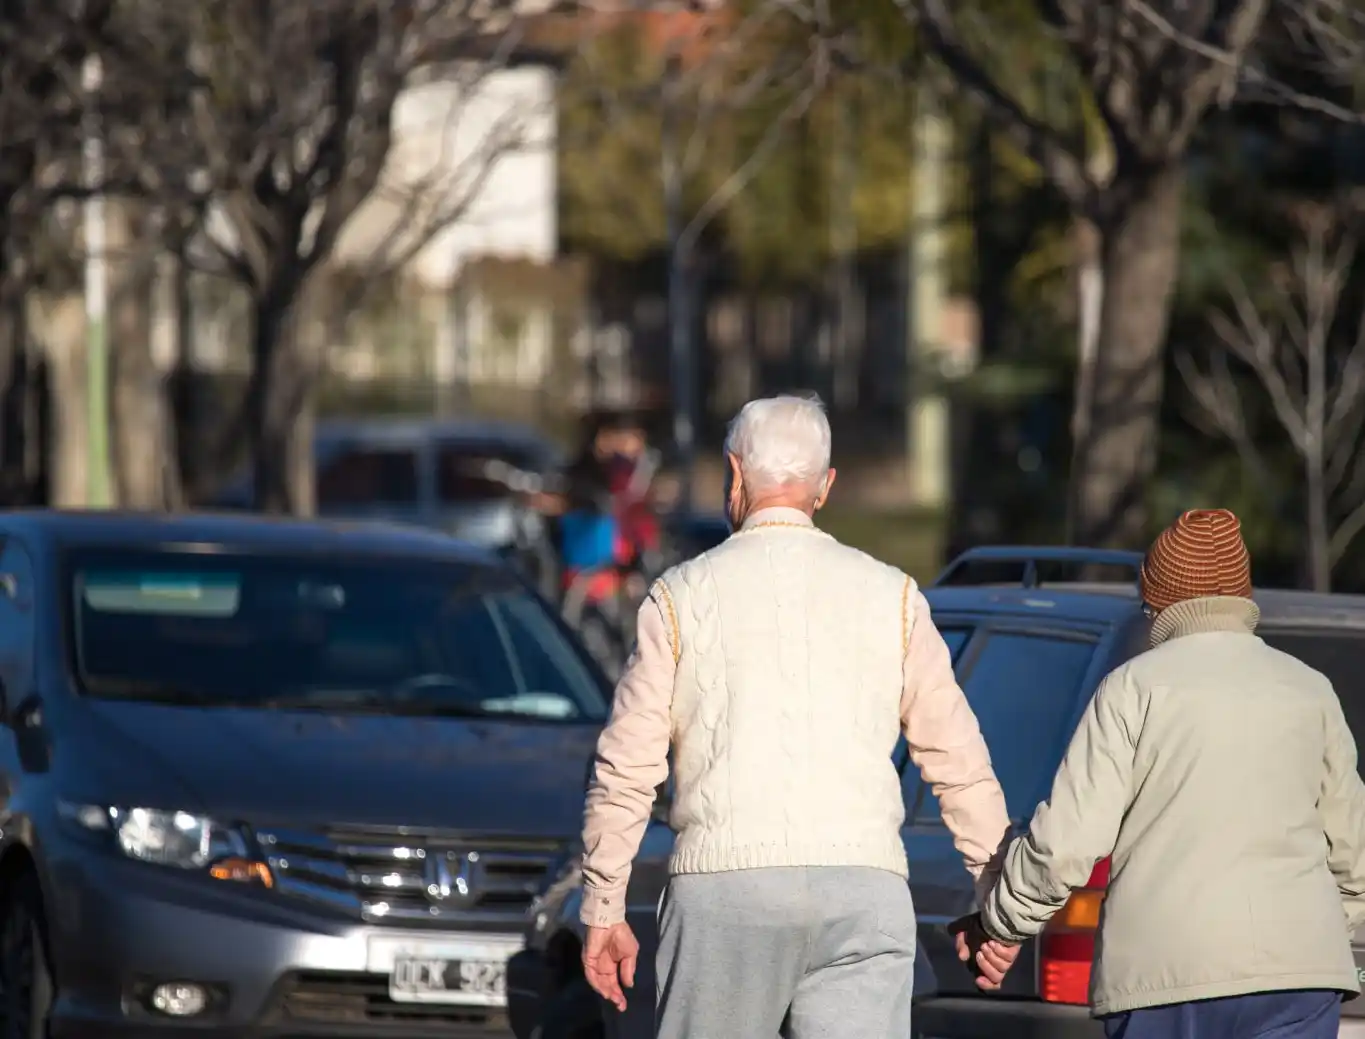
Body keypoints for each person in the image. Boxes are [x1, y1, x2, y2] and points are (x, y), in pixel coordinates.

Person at [576, 394, 1012, 1039]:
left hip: (726, 893)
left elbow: (628, 765)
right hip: (865, 889)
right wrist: (997, 904)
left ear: (734, 474)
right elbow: (958, 759)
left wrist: (603, 902)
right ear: (826, 486)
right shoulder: (892, 595)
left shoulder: (679, 597)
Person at [954, 508, 1365, 1038]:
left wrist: (1002, 925)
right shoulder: (1310, 691)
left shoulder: (1133, 689)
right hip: (1298, 984)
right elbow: (1354, 851)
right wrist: (1323, 938)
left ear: (1158, 599)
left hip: (1165, 982)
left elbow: (1068, 844)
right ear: (1243, 596)